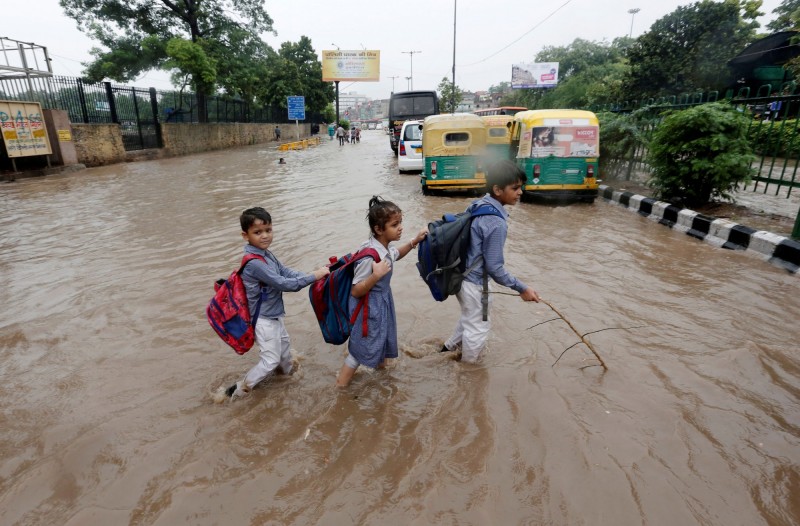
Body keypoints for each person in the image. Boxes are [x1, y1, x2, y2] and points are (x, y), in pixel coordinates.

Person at [440, 160, 541, 363]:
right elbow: (495, 267)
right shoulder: (496, 222)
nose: (520, 192)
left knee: (470, 318)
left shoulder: (479, 204)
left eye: (520, 187)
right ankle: (469, 372)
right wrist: (522, 288)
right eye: (515, 188)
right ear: (497, 189)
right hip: (475, 284)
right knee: (478, 328)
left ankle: (447, 349)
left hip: (461, 277)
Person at [225, 207, 330, 400]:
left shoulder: (266, 254)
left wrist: (312, 275)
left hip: (274, 315)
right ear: (245, 235)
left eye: (268, 230)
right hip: (263, 320)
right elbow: (283, 284)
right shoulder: (255, 263)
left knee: (284, 353)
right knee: (270, 361)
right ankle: (238, 390)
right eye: (257, 232)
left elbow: (285, 271)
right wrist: (314, 276)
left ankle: (286, 383)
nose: (265, 236)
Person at [335, 196, 428, 387]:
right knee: (359, 350)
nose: (400, 227)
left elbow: (395, 255)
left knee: (383, 339)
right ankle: (340, 388)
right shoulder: (369, 256)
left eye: (400, 222)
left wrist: (414, 242)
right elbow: (355, 291)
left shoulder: (384, 247)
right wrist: (375, 276)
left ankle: (382, 376)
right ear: (379, 229)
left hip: (381, 302)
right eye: (395, 225)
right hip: (368, 307)